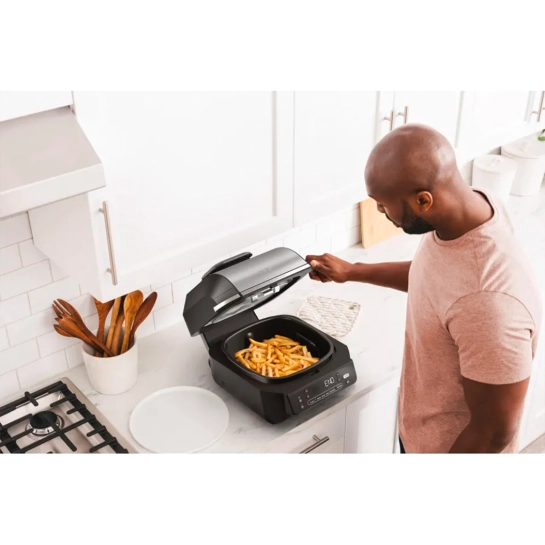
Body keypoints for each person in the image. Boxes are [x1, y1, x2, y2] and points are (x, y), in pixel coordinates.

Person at [307, 124, 542, 453]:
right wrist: (353, 271)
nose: (379, 211)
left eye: (382, 204)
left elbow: (493, 434)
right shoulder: (473, 209)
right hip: (422, 432)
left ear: (423, 200)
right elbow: (436, 278)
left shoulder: (489, 306)